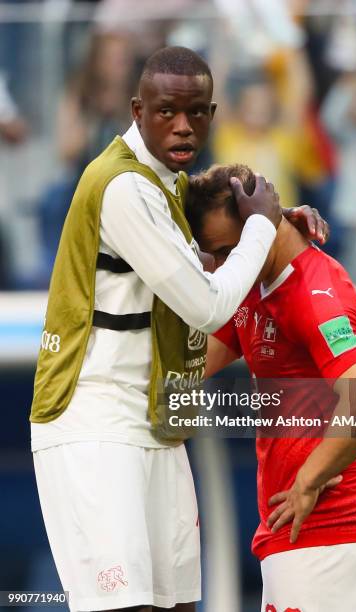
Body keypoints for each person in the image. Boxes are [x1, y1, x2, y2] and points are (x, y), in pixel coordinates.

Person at [30, 46, 327, 612]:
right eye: (167, 111)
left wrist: (281, 225)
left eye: (197, 111)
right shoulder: (121, 186)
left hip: (157, 422)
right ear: (138, 110)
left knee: (176, 604)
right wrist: (264, 229)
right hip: (95, 420)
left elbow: (230, 218)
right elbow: (207, 308)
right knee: (127, 607)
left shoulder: (171, 184)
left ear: (213, 113)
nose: (183, 125)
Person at [186, 163, 356, 612]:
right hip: (292, 529)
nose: (221, 267)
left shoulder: (315, 291)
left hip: (330, 525)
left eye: (226, 251)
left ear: (261, 226)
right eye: (213, 255)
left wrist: (307, 482)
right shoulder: (253, 284)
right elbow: (183, 367)